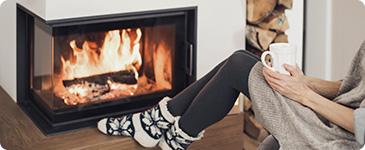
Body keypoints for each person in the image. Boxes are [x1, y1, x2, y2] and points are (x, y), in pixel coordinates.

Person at [97, 42, 365, 150]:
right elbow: (352, 86)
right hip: (328, 110)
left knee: (238, 65)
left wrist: (304, 94)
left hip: (332, 133)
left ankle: (160, 127)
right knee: (240, 61)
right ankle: (163, 129)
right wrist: (305, 82)